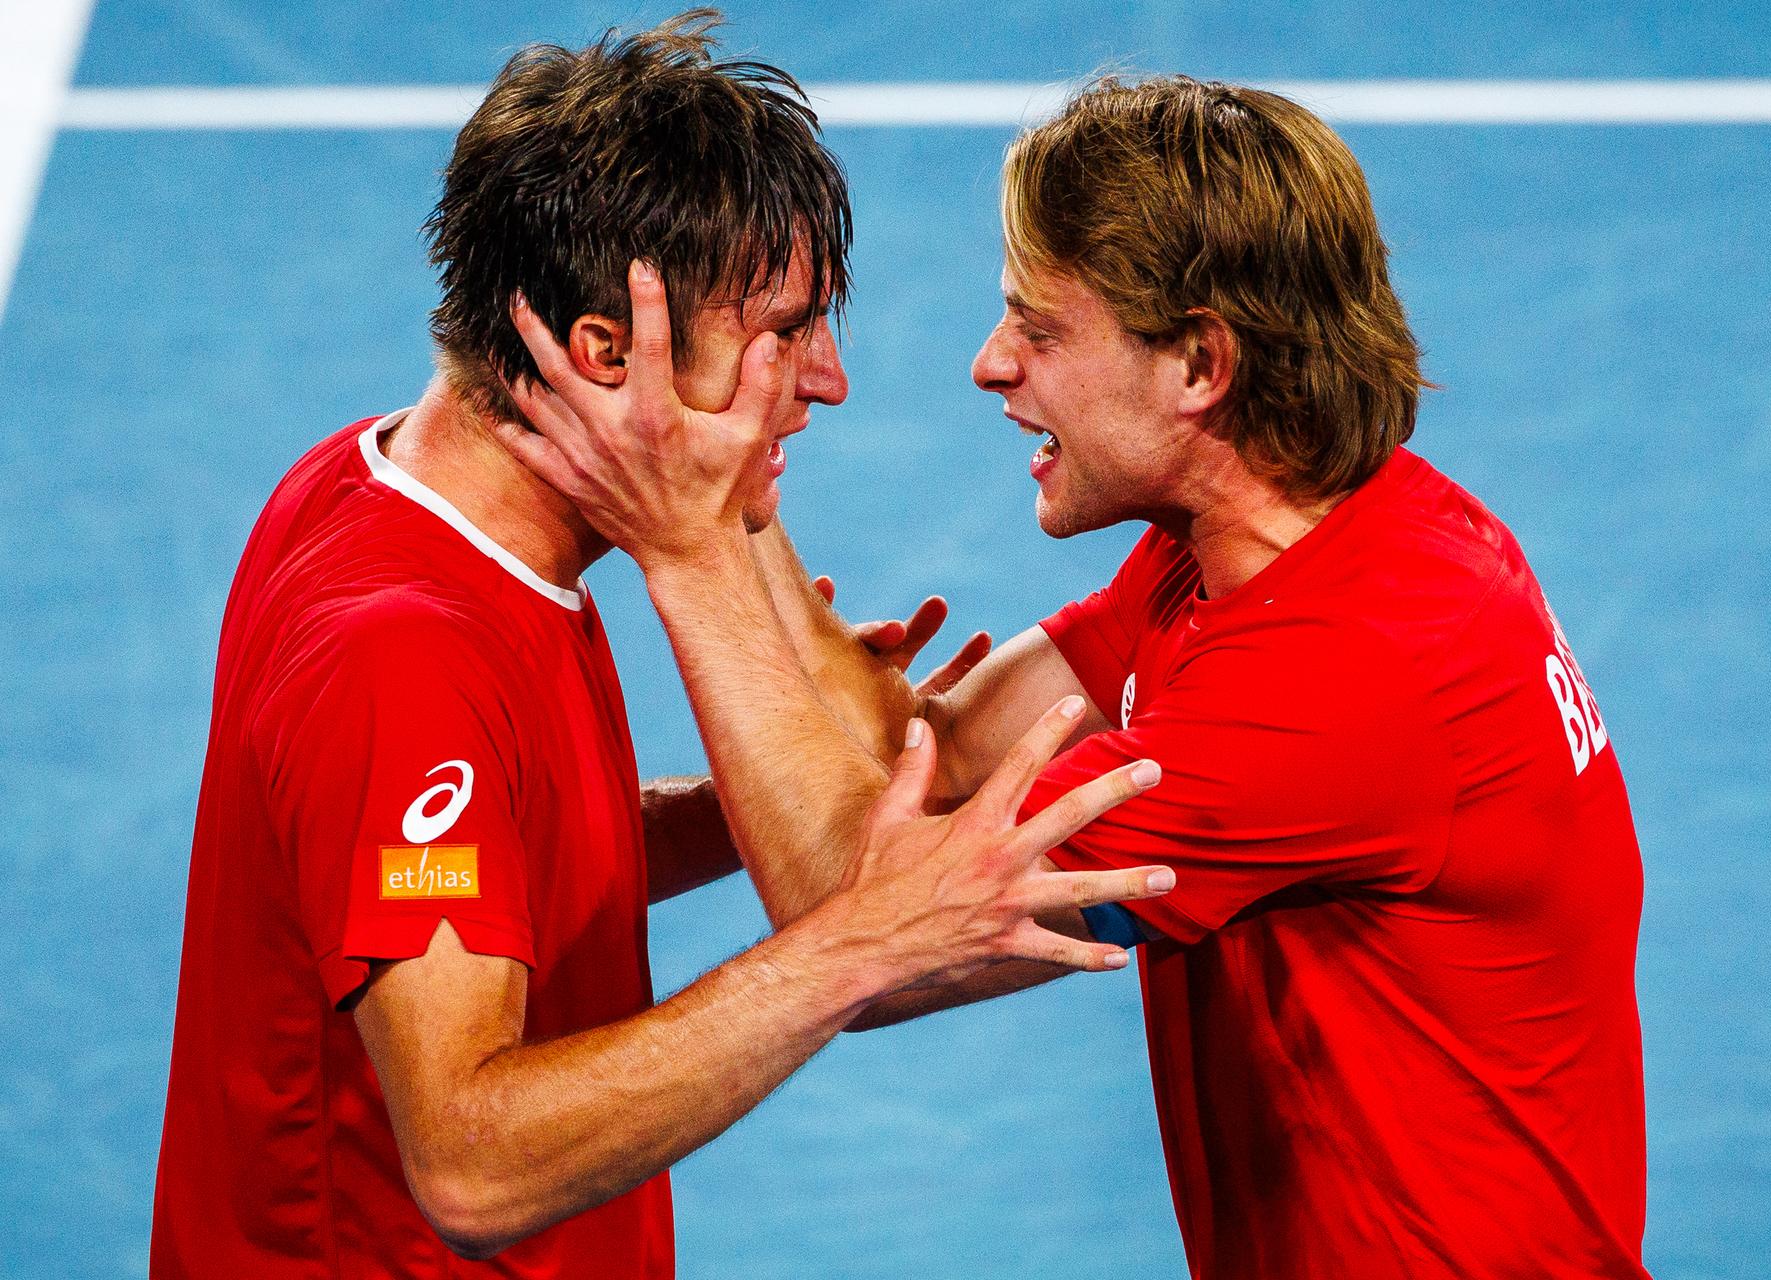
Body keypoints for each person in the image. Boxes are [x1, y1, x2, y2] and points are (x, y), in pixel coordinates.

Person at [504, 76, 1650, 1279]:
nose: (991, 365)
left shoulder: (1335, 681)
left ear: (1200, 363)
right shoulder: (1253, 536)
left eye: (1041, 330)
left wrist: (687, 539)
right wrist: (730, 466)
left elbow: (861, 912)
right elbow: (933, 757)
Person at [147, 20, 1170, 1278]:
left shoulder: (364, 480)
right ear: (601, 355)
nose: (828, 381)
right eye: (782, 334)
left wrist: (795, 802)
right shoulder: (404, 659)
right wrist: (868, 935)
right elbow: (473, 1159)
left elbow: (471, 857)